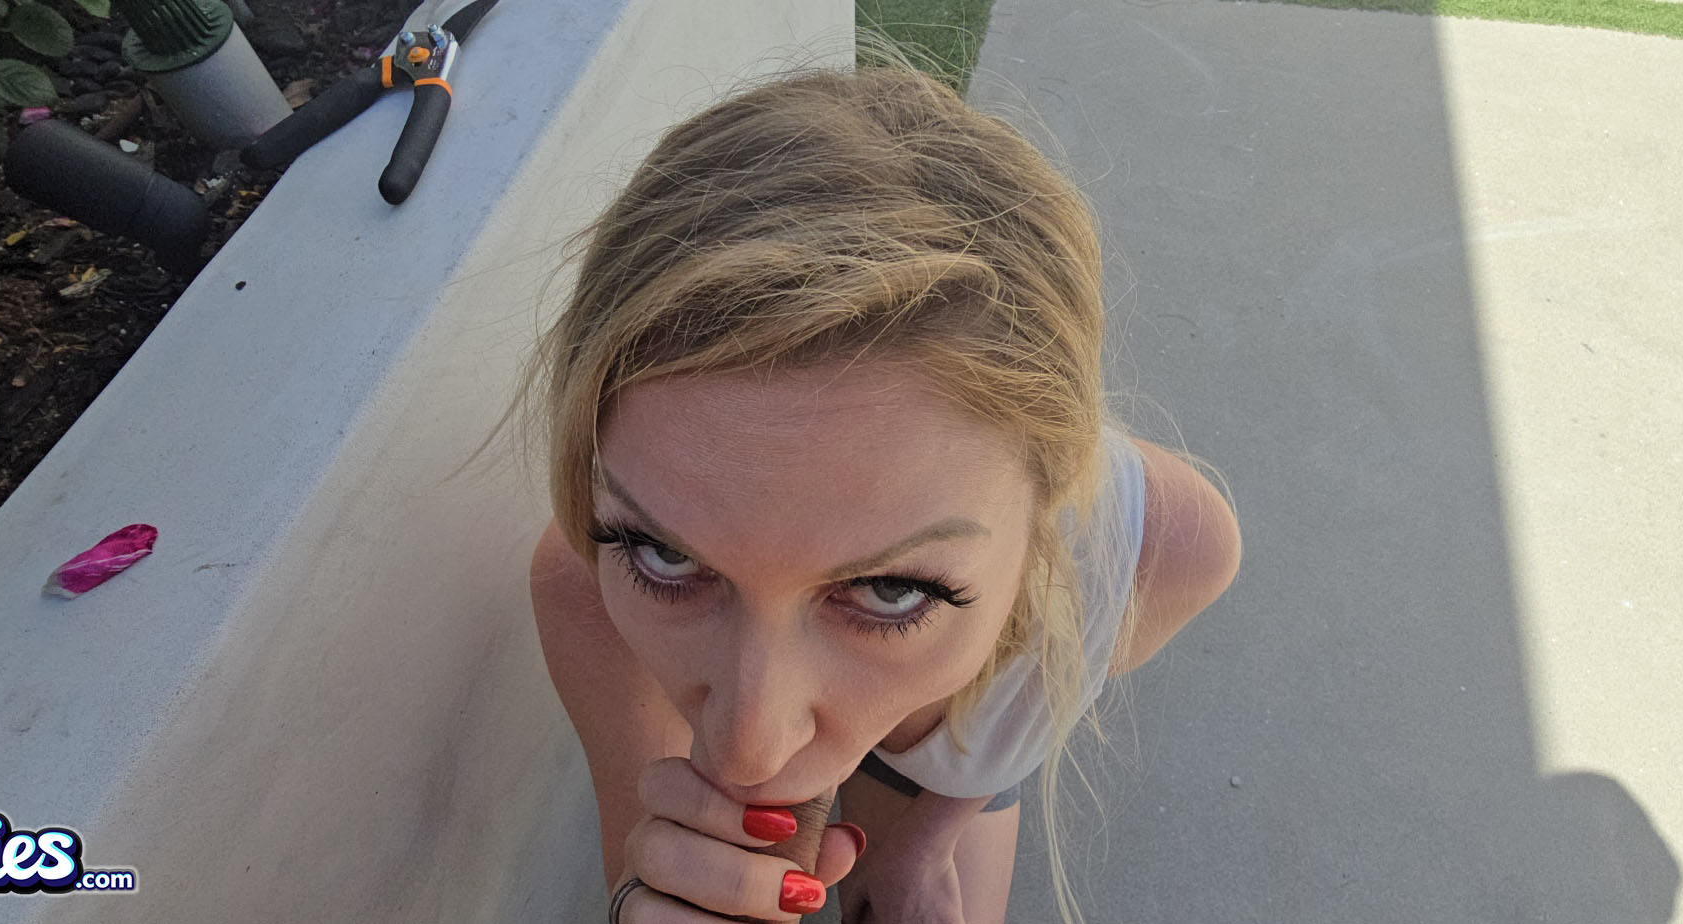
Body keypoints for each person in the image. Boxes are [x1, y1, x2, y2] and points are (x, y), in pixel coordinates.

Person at [499, 51, 1242, 924]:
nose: (748, 750)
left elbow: (1027, 718)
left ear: (1042, 527)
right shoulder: (587, 590)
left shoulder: (1166, 551)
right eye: (664, 556)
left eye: (891, 590)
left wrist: (923, 843)